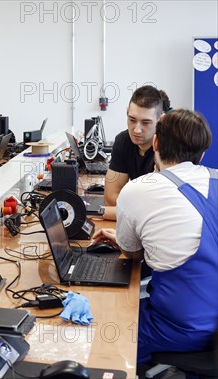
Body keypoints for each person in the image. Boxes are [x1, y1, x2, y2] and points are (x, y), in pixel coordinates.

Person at [91, 109, 216, 365]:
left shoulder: (139, 189)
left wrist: (126, 243)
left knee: (102, 338)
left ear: (156, 143)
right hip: (210, 323)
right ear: (202, 154)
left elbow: (134, 255)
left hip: (181, 328)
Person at [103, 86, 172, 220]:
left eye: (146, 123)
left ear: (161, 119)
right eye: (132, 120)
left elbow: (161, 209)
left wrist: (115, 211)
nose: (137, 130)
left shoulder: (169, 149)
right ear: (127, 112)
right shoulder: (123, 141)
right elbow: (111, 198)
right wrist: (142, 210)